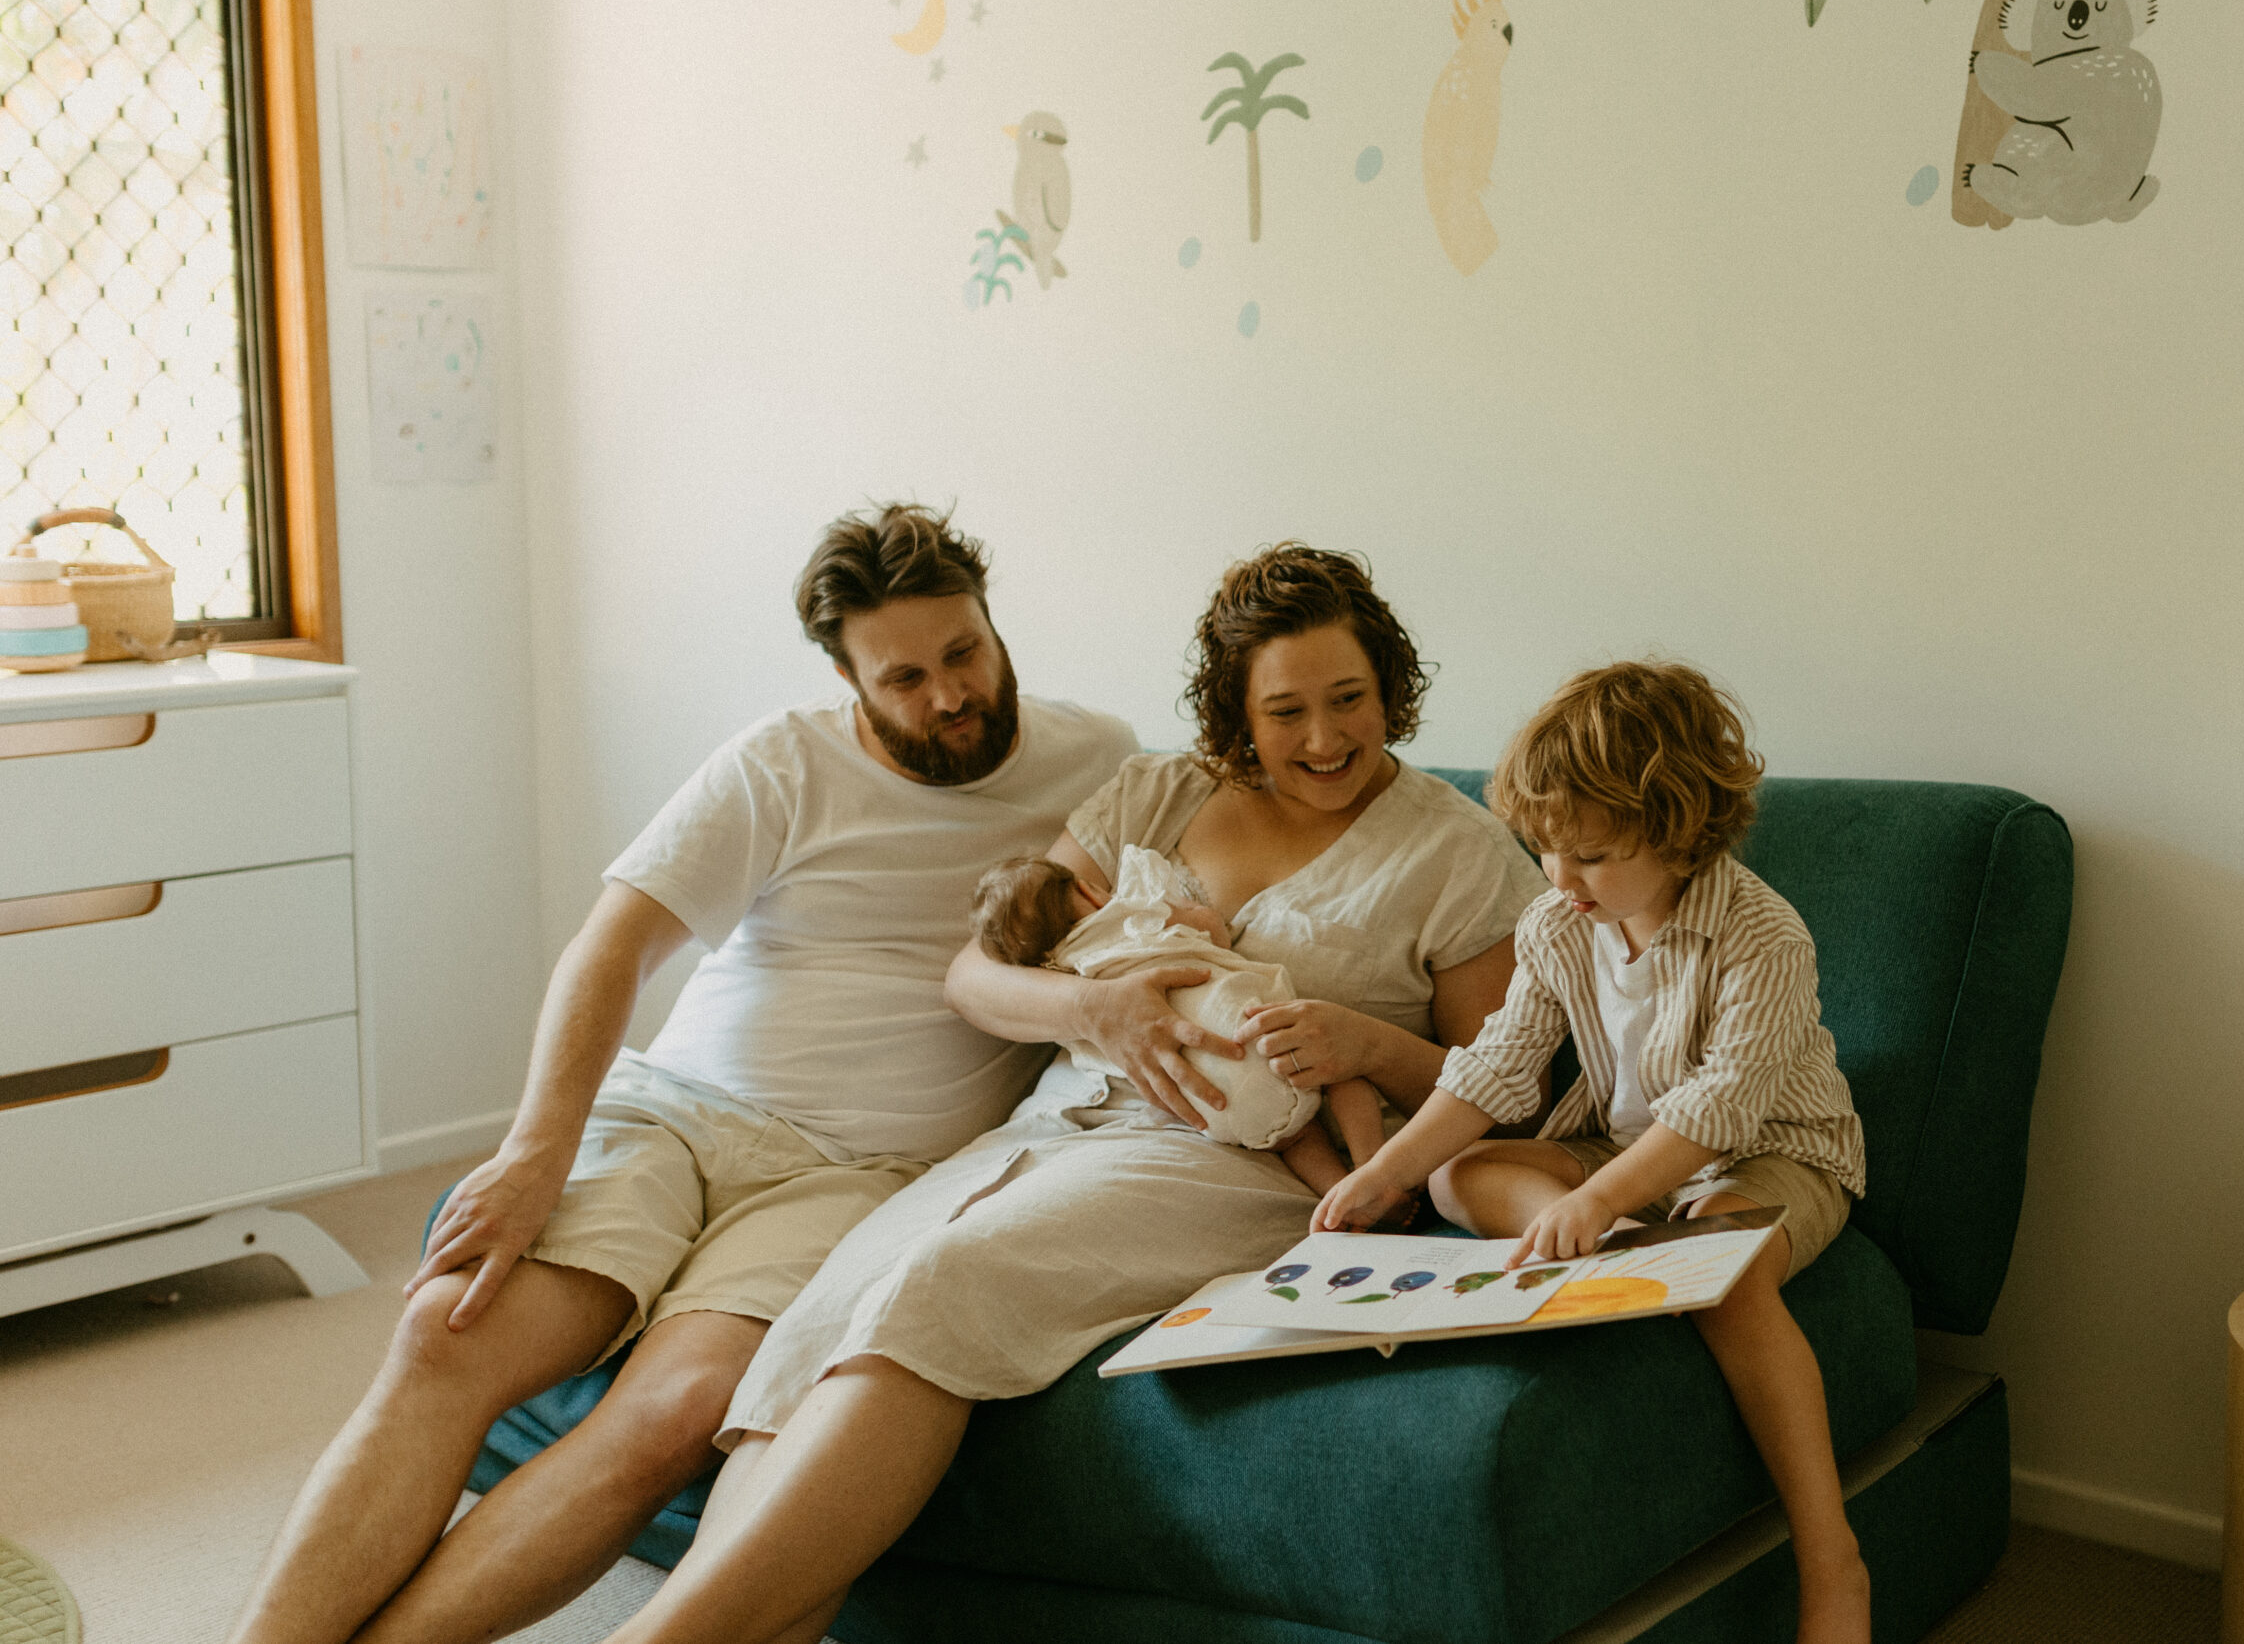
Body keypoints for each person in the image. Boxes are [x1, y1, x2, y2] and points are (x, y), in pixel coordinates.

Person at [593, 544, 1546, 1644]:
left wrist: (1366, 1041)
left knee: (947, 1277)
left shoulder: (1458, 850)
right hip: (1048, 1121)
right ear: (1236, 711)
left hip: (1232, 1161)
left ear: (1390, 686)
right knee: (827, 1311)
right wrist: (1090, 1012)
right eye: (1285, 710)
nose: (1324, 738)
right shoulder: (1158, 789)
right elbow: (976, 974)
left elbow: (1506, 1088)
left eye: (1349, 699)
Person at [226, 506, 1136, 1644]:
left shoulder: (1099, 761)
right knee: (445, 1333)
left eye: (964, 653)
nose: (949, 694)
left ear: (993, 625)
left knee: (676, 1413)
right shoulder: (782, 761)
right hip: (676, 1114)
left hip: (860, 1174)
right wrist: (532, 1152)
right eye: (903, 676)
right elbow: (613, 946)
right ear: (845, 675)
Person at [1313, 659, 1873, 1644]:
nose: (1560, 879)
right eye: (1543, 850)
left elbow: (1720, 1108)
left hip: (1773, 1153)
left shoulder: (1762, 935)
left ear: (1679, 829)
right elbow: (1497, 1067)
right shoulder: (1557, 923)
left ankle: (1832, 1559)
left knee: (1730, 1271)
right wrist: (1381, 1170)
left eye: (1594, 854)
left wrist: (1594, 1199)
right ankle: (1624, 1244)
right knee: (1455, 1171)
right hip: (1614, 1144)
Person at [970, 846, 1389, 1193]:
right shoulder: (1132, 914)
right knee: (1339, 1069)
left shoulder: (1062, 974)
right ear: (1088, 891)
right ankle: (1374, 1172)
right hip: (1256, 1034)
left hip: (1212, 1108)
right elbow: (1213, 931)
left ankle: (1338, 1193)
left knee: (1294, 1137)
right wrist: (1187, 912)